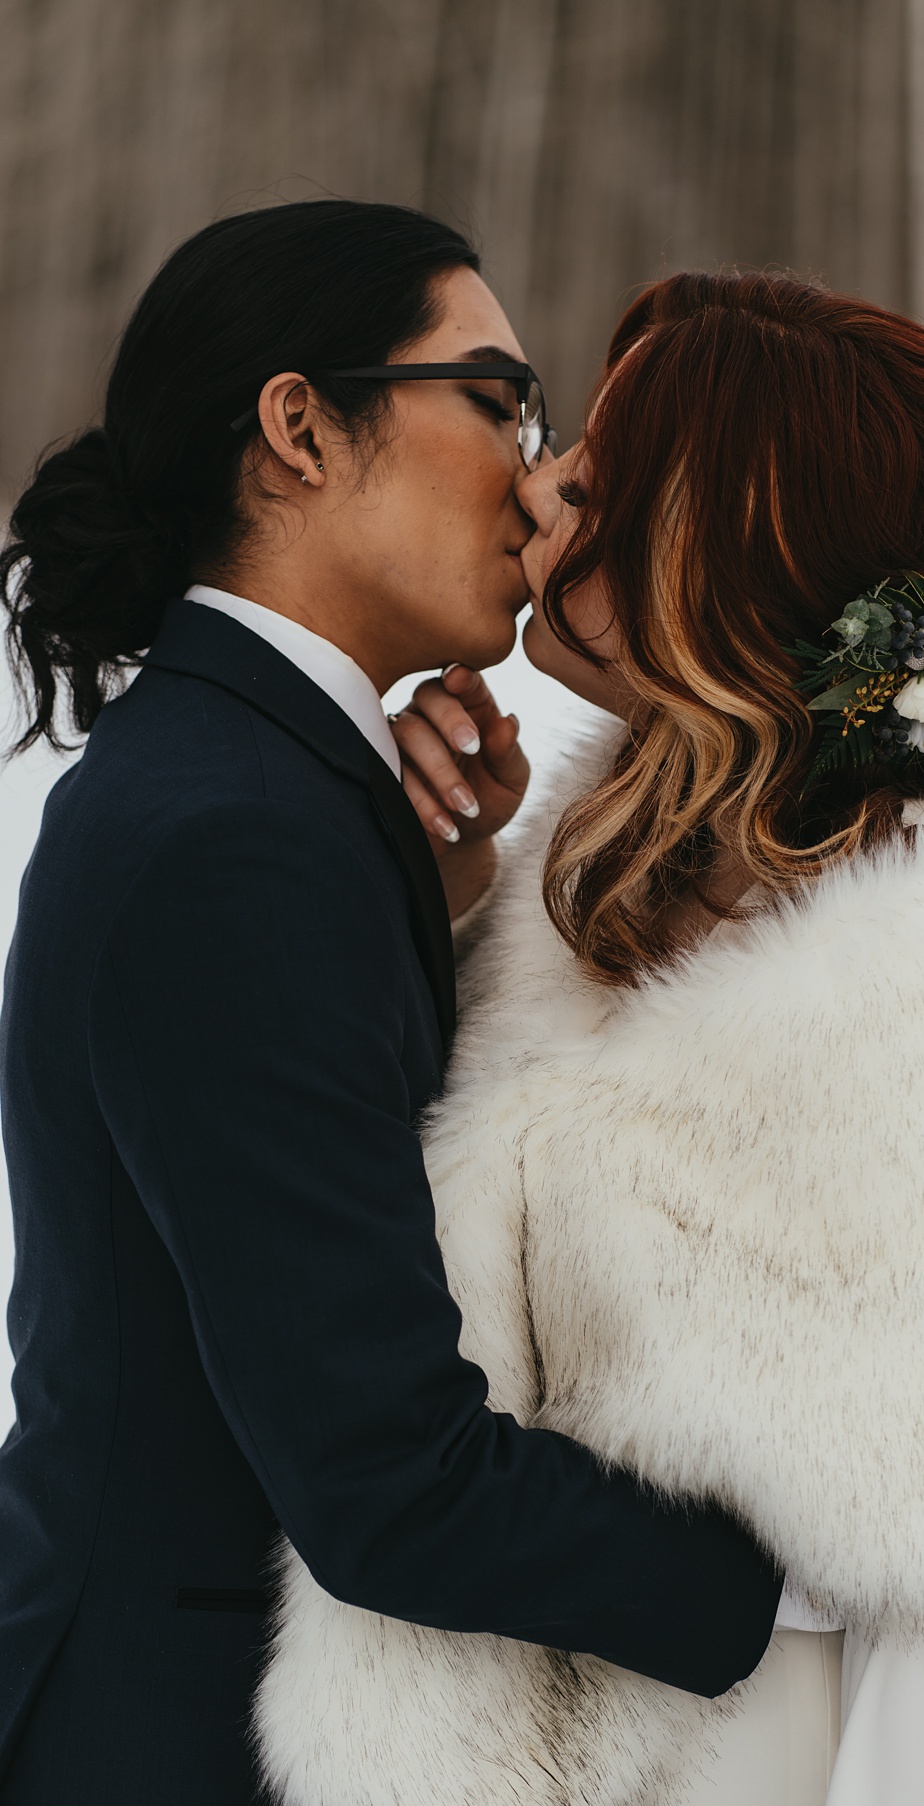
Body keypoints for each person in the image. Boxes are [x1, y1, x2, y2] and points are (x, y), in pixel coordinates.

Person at [259, 273, 924, 1804]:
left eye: (603, 471)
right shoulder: (624, 843)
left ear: (716, 557)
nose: (548, 483)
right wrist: (445, 893)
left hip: (797, 1743)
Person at [0, 205, 786, 1806]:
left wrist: (450, 888)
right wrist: (826, 1569)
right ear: (301, 426)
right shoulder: (235, 836)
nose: (543, 472)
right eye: (498, 400)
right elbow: (389, 1480)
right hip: (172, 1741)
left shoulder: (261, 783)